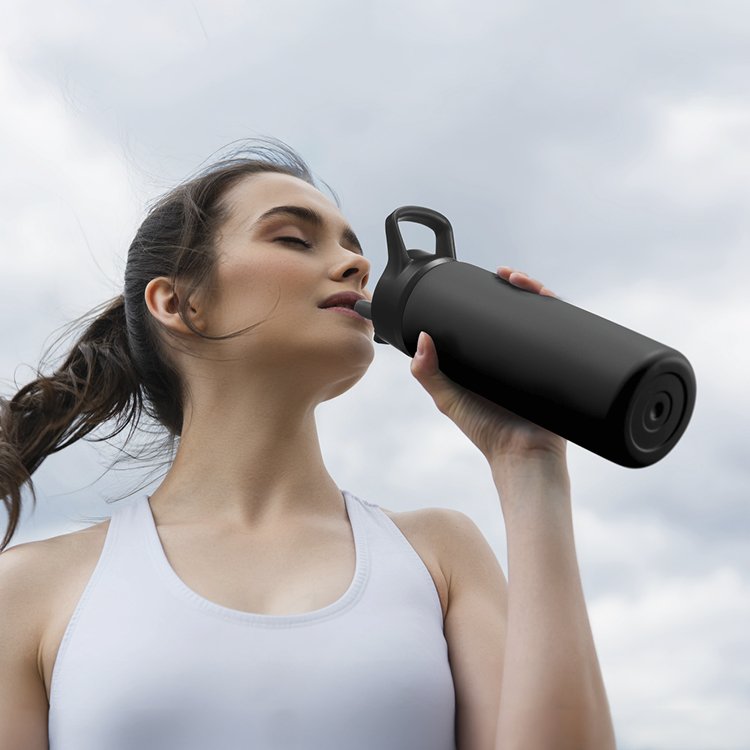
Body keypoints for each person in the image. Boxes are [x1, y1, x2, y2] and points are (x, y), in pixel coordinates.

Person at [0, 138, 616, 749]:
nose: (357, 265)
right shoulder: (30, 589)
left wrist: (530, 464)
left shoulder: (438, 555)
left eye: (354, 248)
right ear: (180, 301)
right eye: (294, 239)